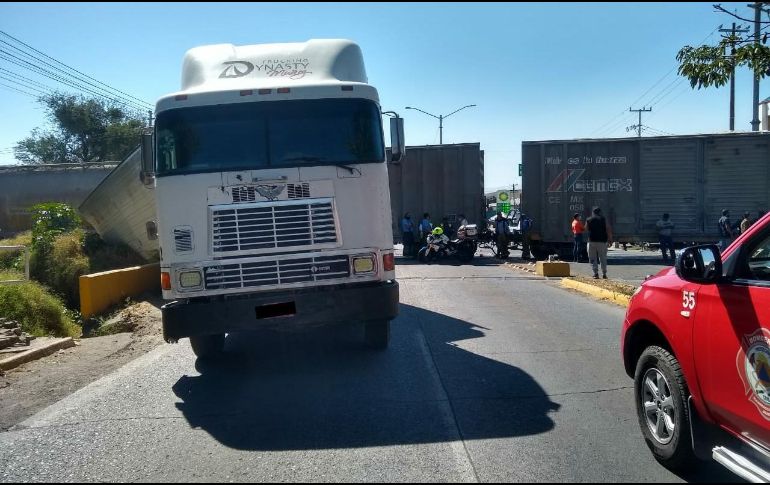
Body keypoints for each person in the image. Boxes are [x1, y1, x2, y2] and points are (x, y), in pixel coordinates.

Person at [586, 206, 612, 279]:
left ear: (593, 212)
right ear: (600, 212)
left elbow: (586, 229)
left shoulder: (589, 219)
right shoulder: (604, 219)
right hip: (602, 242)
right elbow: (608, 229)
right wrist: (610, 239)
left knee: (592, 258)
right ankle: (604, 273)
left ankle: (595, 273)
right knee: (603, 258)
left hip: (592, 241)